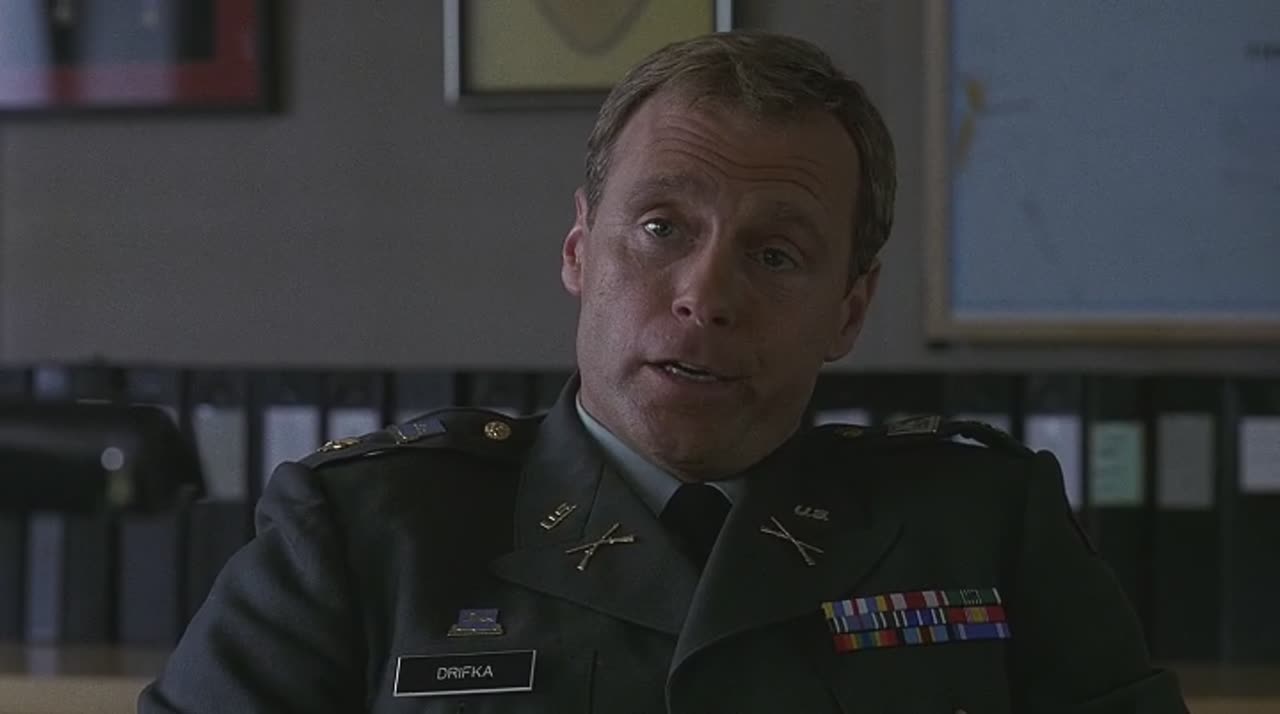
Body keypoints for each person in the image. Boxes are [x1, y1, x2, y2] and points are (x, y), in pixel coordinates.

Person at [139, 31, 1188, 713]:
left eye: (775, 254)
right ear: (577, 251)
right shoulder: (366, 534)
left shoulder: (982, 524)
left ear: (850, 310)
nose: (705, 295)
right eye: (659, 227)